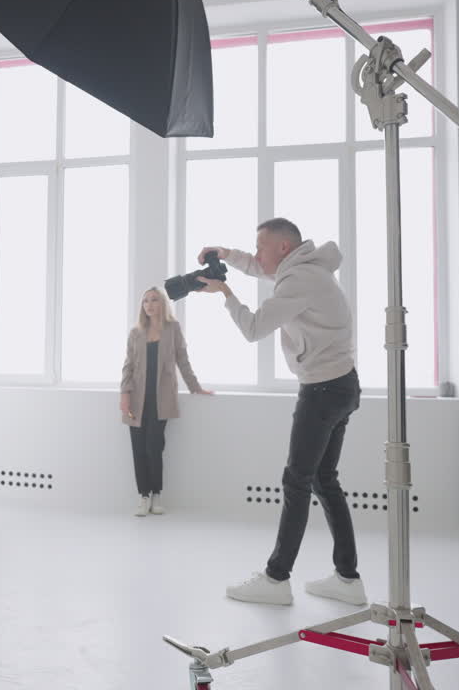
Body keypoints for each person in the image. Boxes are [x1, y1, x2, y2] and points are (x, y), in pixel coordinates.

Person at [195, 218, 366, 606]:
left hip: (322, 390)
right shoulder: (306, 270)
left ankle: (275, 580)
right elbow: (261, 267)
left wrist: (225, 292)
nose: (255, 255)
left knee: (297, 481)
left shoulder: (297, 281)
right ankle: (348, 579)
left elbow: (254, 328)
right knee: (324, 480)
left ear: (283, 248)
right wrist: (226, 255)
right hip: (342, 385)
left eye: (260, 246)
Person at [120, 286, 212, 517]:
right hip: (136, 399)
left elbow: (183, 359)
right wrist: (124, 394)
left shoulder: (172, 329)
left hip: (161, 399)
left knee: (154, 447)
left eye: (154, 300)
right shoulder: (135, 332)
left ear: (162, 303)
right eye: (145, 301)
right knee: (138, 449)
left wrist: (195, 387)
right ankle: (143, 496)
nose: (149, 305)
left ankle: (156, 494)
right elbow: (128, 366)